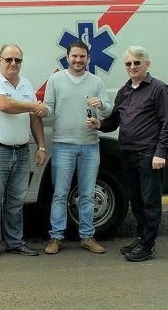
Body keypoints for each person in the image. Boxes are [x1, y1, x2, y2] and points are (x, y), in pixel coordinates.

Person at [87, 45, 168, 262]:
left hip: (148, 154)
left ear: (147, 64)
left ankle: (148, 245)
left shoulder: (158, 89)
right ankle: (140, 237)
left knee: (149, 201)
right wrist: (99, 123)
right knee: (135, 200)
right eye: (129, 63)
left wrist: (160, 153)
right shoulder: (124, 91)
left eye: (137, 62)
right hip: (127, 153)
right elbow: (114, 121)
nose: (133, 67)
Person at [0, 43, 48, 260]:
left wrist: (41, 146)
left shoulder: (26, 84)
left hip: (20, 151)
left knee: (16, 200)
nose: (13, 63)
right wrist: (34, 105)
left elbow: (34, 118)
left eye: (18, 60)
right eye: (8, 59)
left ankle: (15, 242)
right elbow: (4, 105)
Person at [42, 40, 112, 255]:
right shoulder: (55, 79)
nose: (78, 60)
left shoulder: (96, 82)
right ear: (67, 57)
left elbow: (109, 111)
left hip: (90, 145)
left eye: (82, 56)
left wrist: (102, 106)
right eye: (74, 56)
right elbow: (49, 108)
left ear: (88, 59)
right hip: (63, 145)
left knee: (88, 194)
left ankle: (87, 236)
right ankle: (56, 237)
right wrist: (42, 110)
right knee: (60, 194)